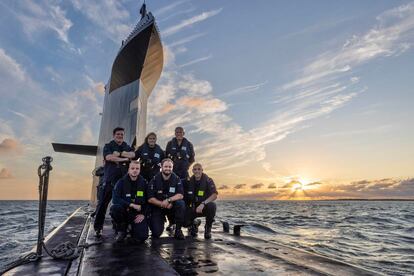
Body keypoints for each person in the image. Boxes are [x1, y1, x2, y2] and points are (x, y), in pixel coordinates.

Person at [94, 127, 135, 237]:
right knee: (102, 204)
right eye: (118, 134)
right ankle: (98, 228)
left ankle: (122, 227)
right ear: (114, 135)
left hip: (123, 182)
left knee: (123, 205)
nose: (120, 136)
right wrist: (124, 158)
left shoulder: (126, 146)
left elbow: (132, 155)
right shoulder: (108, 146)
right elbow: (109, 157)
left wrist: (120, 154)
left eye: (121, 134)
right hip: (110, 181)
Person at [110, 161, 149, 243]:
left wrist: (143, 214)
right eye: (132, 168)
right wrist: (131, 205)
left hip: (137, 214)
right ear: (128, 169)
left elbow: (148, 201)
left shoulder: (144, 183)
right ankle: (121, 230)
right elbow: (115, 199)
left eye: (137, 168)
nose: (135, 170)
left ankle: (132, 228)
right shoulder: (121, 182)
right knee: (114, 208)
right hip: (124, 212)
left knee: (142, 237)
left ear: (140, 170)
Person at [147, 158, 186, 240]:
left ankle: (178, 230)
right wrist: (162, 203)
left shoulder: (176, 179)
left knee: (181, 204)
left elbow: (180, 195)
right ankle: (157, 223)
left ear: (172, 168)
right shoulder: (154, 179)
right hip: (158, 207)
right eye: (166, 166)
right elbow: (150, 198)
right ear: (161, 167)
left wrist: (168, 200)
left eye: (170, 167)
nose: (168, 168)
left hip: (171, 206)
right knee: (156, 233)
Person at [165, 127, 195, 230]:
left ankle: (188, 222)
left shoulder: (189, 144)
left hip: (184, 174)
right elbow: (166, 158)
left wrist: (186, 166)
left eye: (180, 132)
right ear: (175, 133)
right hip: (172, 174)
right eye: (177, 132)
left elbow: (192, 159)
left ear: (184, 133)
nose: (179, 134)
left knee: (186, 197)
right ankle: (171, 222)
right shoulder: (170, 144)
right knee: (170, 196)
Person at [184, 163, 218, 239]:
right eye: (195, 169)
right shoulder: (189, 181)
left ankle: (208, 228)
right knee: (184, 223)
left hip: (204, 207)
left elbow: (214, 195)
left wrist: (203, 203)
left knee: (212, 205)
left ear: (202, 170)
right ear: (192, 171)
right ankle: (195, 223)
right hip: (193, 207)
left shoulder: (208, 180)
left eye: (199, 169)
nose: (197, 171)